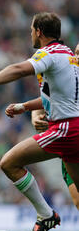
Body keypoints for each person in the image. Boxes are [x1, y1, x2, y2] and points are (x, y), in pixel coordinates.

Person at [0, 12, 79, 231]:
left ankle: (46, 215)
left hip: (65, 129)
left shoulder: (49, 53)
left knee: (9, 163)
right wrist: (25, 107)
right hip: (72, 128)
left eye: (31, 30)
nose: (30, 34)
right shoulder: (70, 56)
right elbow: (57, 98)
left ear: (39, 32)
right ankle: (46, 215)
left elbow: (18, 69)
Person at [29, 42, 79, 210]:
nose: (77, 58)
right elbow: (44, 99)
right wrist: (35, 116)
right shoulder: (66, 78)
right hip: (69, 143)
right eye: (76, 54)